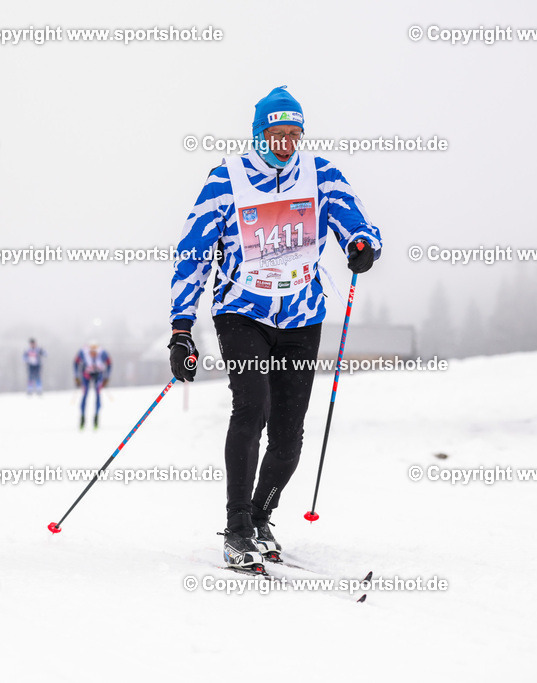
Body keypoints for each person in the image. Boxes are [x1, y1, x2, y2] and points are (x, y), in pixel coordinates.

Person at [167, 87, 380, 571]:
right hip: (242, 310)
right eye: (277, 133)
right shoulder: (227, 180)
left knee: (289, 433)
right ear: (259, 134)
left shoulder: (321, 175)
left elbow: (358, 223)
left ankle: (262, 516)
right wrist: (182, 328)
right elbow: (192, 252)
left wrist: (363, 246)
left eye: (294, 134)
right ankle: (238, 527)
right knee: (252, 409)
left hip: (303, 315)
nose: (286, 143)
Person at [73, 342, 111, 429]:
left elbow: (109, 363)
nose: (93, 354)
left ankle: (96, 417)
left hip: (98, 375)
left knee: (98, 394)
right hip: (86, 375)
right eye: (91, 352)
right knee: (85, 394)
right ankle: (82, 417)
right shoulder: (83, 353)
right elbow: (75, 363)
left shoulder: (103, 353)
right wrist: (76, 376)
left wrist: (107, 377)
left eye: (95, 352)